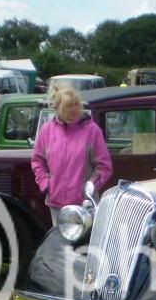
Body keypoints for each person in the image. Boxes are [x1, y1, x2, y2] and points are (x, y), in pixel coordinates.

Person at [31, 86, 113, 226]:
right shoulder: (46, 130)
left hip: (85, 204)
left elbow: (104, 167)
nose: (74, 109)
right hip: (56, 203)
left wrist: (90, 186)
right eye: (68, 105)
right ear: (57, 108)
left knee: (84, 245)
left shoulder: (92, 131)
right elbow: (38, 161)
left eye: (76, 104)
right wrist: (46, 184)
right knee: (61, 244)